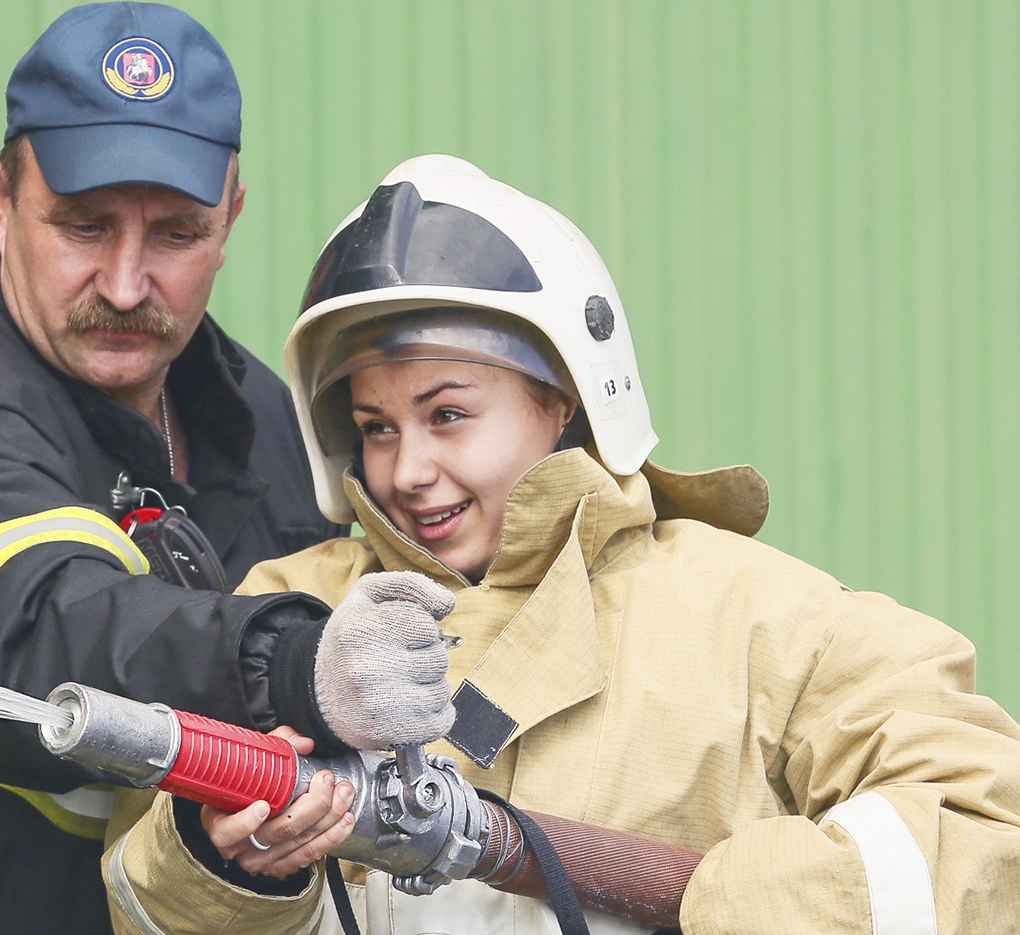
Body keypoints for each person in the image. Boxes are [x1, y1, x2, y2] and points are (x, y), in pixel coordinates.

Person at [99, 154, 1020, 934]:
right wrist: (230, 865)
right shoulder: (294, 615)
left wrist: (716, 898)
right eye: (376, 425)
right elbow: (135, 888)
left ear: (565, 397)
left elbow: (981, 828)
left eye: (447, 413)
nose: (407, 468)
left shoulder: (757, 616)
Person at [0, 6, 464, 934]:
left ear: (232, 213)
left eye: (177, 234)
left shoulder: (257, 415)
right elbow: (38, 639)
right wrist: (297, 664)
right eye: (83, 225)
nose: (123, 283)